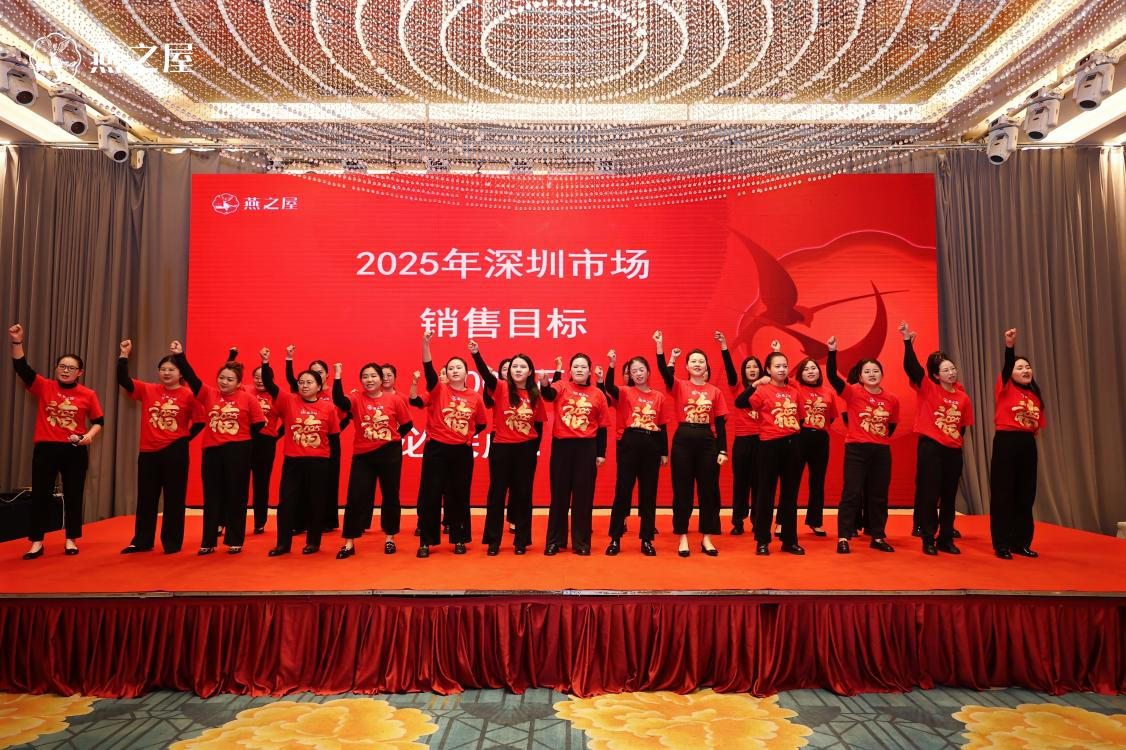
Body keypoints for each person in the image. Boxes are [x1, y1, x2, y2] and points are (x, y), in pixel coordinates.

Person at [8, 324, 103, 559]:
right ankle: (36, 542)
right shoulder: (44, 386)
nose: (65, 370)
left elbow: (98, 421)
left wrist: (88, 437)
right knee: (41, 495)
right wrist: (17, 341)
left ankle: (71, 540)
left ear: (80, 372)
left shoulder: (88, 394)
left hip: (74, 450)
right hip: (46, 448)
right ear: (56, 368)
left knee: (73, 495)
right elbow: (21, 368)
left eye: (71, 368)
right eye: (62, 366)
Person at [172, 342, 265, 554]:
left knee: (237, 495)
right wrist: (179, 356)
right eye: (221, 378)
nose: (224, 382)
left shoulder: (248, 399)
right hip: (212, 451)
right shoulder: (209, 394)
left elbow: (259, 424)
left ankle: (235, 539)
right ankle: (208, 541)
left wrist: (242, 442)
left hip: (238, 451)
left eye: (230, 379)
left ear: (239, 383)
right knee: (212, 495)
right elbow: (192, 378)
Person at [117, 339, 204, 555]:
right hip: (148, 451)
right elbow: (124, 381)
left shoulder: (189, 395)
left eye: (171, 369)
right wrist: (124, 355)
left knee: (174, 497)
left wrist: (184, 439)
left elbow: (201, 421)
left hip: (175, 451)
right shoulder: (148, 390)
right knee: (146, 497)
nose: (166, 373)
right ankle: (142, 541)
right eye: (163, 369)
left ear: (180, 373)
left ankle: (172, 542)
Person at [256, 349, 342, 555]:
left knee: (316, 502)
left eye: (309, 382)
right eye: (301, 382)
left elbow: (334, 437)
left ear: (319, 386)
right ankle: (283, 544)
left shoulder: (328, 408)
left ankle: (313, 542)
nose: (304, 385)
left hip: (319, 462)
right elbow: (270, 384)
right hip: (293, 462)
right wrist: (265, 362)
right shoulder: (289, 401)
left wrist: (329, 464)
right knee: (286, 503)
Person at [899, 321, 974, 556]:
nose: (951, 372)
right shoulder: (928, 388)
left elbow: (962, 427)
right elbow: (913, 369)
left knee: (949, 496)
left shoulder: (963, 397)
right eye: (945, 370)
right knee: (930, 495)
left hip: (953, 450)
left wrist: (951, 441)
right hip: (931, 448)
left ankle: (946, 538)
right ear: (935, 375)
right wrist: (907, 342)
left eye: (953, 369)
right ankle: (928, 537)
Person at [414, 331, 488, 557]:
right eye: (451, 368)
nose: (455, 371)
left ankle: (459, 538)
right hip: (437, 449)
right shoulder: (439, 389)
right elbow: (428, 368)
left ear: (466, 373)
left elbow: (481, 424)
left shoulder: (474, 397)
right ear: (446, 373)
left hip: (461, 452)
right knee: (431, 495)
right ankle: (426, 542)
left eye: (459, 368)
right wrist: (425, 343)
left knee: (459, 495)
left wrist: (465, 436)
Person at [655, 330, 729, 558]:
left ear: (706, 366)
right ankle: (683, 536)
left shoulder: (715, 391)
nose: (697, 364)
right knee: (683, 490)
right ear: (687, 366)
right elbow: (665, 374)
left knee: (709, 491)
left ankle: (707, 537)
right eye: (693, 361)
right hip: (683, 440)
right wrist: (665, 352)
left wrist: (723, 449)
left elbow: (720, 423)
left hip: (707, 441)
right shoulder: (679, 386)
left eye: (701, 361)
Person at [469, 343, 545, 555]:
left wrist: (532, 450)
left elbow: (539, 426)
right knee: (497, 494)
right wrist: (476, 354)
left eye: (522, 366)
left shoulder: (535, 394)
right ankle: (493, 541)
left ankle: (521, 541)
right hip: (502, 449)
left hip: (526, 451)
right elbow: (486, 375)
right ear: (509, 371)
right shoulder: (501, 387)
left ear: (530, 371)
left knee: (523, 495)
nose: (518, 369)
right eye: (514, 366)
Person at [826, 337, 899, 554]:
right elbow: (832, 377)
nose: (872, 374)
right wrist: (832, 352)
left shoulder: (892, 399)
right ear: (860, 377)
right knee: (851, 493)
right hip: (856, 450)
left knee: (879, 495)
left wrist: (877, 438)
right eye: (867, 372)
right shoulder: (853, 392)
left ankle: (877, 536)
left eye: (875, 371)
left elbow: (891, 425)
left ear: (882, 374)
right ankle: (843, 537)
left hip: (881, 451)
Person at [332, 361, 413, 558]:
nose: (369, 380)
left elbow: (407, 424)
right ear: (361, 380)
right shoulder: (356, 398)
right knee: (355, 497)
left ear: (381, 379)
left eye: (373, 376)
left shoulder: (394, 400)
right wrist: (337, 376)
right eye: (365, 377)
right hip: (363, 455)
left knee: (390, 496)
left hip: (389, 453)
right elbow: (340, 402)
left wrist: (392, 439)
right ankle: (349, 542)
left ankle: (390, 538)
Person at [735, 351, 806, 555]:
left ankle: (789, 540)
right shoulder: (763, 391)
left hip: (792, 445)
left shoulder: (794, 392)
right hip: (768, 446)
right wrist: (756, 384)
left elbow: (801, 418)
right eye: (777, 366)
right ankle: (762, 540)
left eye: (784, 366)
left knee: (790, 495)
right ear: (768, 370)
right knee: (765, 493)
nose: (782, 369)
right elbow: (740, 403)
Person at [541, 353, 610, 556]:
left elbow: (602, 427)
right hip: (562, 447)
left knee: (583, 497)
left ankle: (581, 543)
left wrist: (601, 453)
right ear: (570, 370)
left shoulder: (598, 394)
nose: (579, 370)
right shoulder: (562, 386)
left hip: (586, 448)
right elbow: (549, 396)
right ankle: (555, 542)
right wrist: (544, 384)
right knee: (559, 495)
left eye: (583, 367)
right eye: (576, 366)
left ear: (589, 371)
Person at [603, 350, 668, 556]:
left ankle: (647, 539)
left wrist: (664, 452)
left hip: (652, 444)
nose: (638, 374)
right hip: (630, 443)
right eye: (634, 371)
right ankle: (615, 539)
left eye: (641, 370)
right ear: (629, 375)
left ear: (648, 372)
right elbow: (608, 387)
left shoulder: (658, 396)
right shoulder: (624, 392)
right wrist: (612, 364)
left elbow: (662, 426)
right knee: (622, 492)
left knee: (649, 494)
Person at [989, 327, 1045, 560]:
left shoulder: (1035, 396)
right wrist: (1009, 347)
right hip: (1006, 442)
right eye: (1019, 367)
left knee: (1025, 495)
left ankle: (1020, 543)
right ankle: (1002, 544)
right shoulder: (1005, 387)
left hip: (1027, 444)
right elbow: (1006, 366)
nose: (1025, 370)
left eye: (1027, 367)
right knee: (1003, 494)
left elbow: (1037, 427)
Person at [284, 347, 343, 533]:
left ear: (326, 375)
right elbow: (291, 381)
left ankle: (326, 521)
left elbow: (345, 416)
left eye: (320, 372)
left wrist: (328, 433)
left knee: (327, 482)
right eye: (312, 372)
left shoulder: (333, 393)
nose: (316, 375)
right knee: (302, 484)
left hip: (328, 442)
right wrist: (289, 359)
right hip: (303, 445)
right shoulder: (301, 394)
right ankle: (301, 522)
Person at [718, 331, 762, 536]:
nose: (752, 369)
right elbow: (729, 367)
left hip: (762, 441)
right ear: (744, 371)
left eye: (755, 366)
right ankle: (738, 520)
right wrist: (724, 345)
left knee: (760, 483)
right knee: (741, 482)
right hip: (742, 441)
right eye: (748, 367)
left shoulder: (767, 388)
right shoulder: (737, 387)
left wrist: (777, 352)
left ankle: (758, 520)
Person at [792, 356, 839, 537]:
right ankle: (783, 521)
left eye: (814, 368)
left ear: (819, 372)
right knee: (792, 481)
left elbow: (831, 417)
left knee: (817, 481)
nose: (810, 371)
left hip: (820, 439)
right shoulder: (795, 388)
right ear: (800, 374)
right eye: (806, 369)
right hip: (799, 437)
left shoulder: (828, 392)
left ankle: (815, 521)